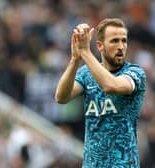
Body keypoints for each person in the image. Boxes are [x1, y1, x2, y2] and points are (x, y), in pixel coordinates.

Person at [55, 18, 146, 168]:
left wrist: (85, 52)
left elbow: (111, 86)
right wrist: (75, 59)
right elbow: (61, 97)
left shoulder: (135, 73)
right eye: (114, 41)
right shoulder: (86, 73)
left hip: (122, 163)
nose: (121, 46)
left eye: (124, 41)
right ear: (100, 46)